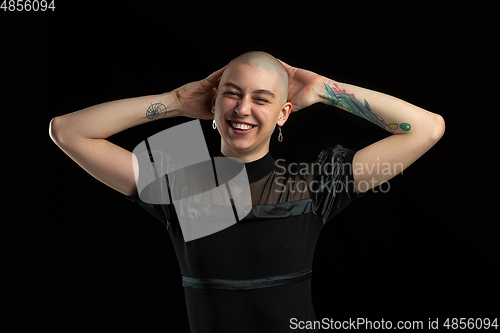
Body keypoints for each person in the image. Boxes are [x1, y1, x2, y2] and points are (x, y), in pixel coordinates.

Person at [49, 51, 445, 332]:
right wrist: (174, 102)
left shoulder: (315, 181)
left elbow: (427, 128)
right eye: (232, 93)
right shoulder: (178, 178)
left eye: (262, 99)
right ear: (214, 102)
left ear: (283, 114)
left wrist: (326, 90)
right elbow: (67, 131)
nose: (242, 109)